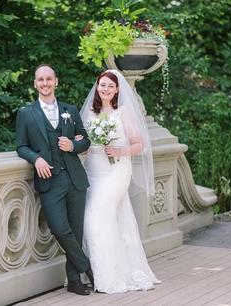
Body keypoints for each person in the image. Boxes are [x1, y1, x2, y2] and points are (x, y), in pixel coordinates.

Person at [16, 64, 94, 295]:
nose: (45, 83)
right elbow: (21, 146)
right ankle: (87, 267)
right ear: (35, 84)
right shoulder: (26, 113)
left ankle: (75, 281)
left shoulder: (70, 109)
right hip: (50, 181)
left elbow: (85, 140)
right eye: (40, 79)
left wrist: (73, 145)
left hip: (75, 180)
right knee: (60, 229)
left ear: (56, 81)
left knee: (76, 231)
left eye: (49, 79)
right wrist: (36, 159)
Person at [80, 69, 160, 293]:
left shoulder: (123, 112)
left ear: (117, 90)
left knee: (95, 216)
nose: (105, 89)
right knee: (110, 220)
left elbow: (138, 144)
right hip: (92, 172)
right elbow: (84, 144)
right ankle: (106, 270)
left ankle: (108, 278)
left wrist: (119, 150)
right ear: (97, 87)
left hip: (116, 172)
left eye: (109, 86)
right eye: (102, 85)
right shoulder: (90, 114)